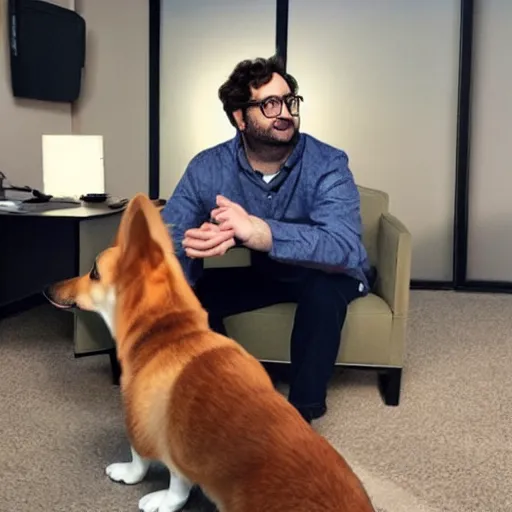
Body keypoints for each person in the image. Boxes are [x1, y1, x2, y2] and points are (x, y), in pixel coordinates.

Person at [161, 55, 371, 423]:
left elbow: (344, 246)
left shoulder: (328, 162)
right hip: (270, 271)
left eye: (290, 101)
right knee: (190, 298)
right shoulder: (207, 167)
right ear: (239, 118)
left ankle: (302, 415)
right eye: (269, 104)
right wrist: (186, 259)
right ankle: (222, 391)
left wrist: (262, 232)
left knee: (323, 294)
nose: (285, 113)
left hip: (330, 272)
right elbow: (172, 234)